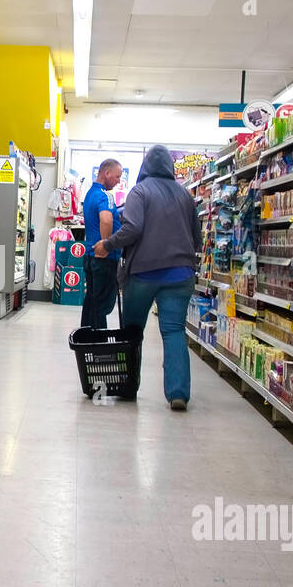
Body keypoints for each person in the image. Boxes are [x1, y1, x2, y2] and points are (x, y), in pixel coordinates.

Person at [93, 144, 201, 411]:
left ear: (145, 167)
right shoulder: (185, 195)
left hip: (143, 273)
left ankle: (128, 386)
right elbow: (197, 240)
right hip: (180, 274)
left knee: (132, 330)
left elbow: (133, 229)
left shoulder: (139, 192)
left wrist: (107, 244)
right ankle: (178, 393)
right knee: (174, 330)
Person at [80, 158, 122, 329]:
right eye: (117, 177)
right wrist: (105, 246)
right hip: (103, 258)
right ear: (107, 173)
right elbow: (106, 219)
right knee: (102, 304)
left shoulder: (90, 194)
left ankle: (86, 336)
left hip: (90, 256)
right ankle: (99, 344)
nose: (118, 181)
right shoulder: (105, 195)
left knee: (91, 299)